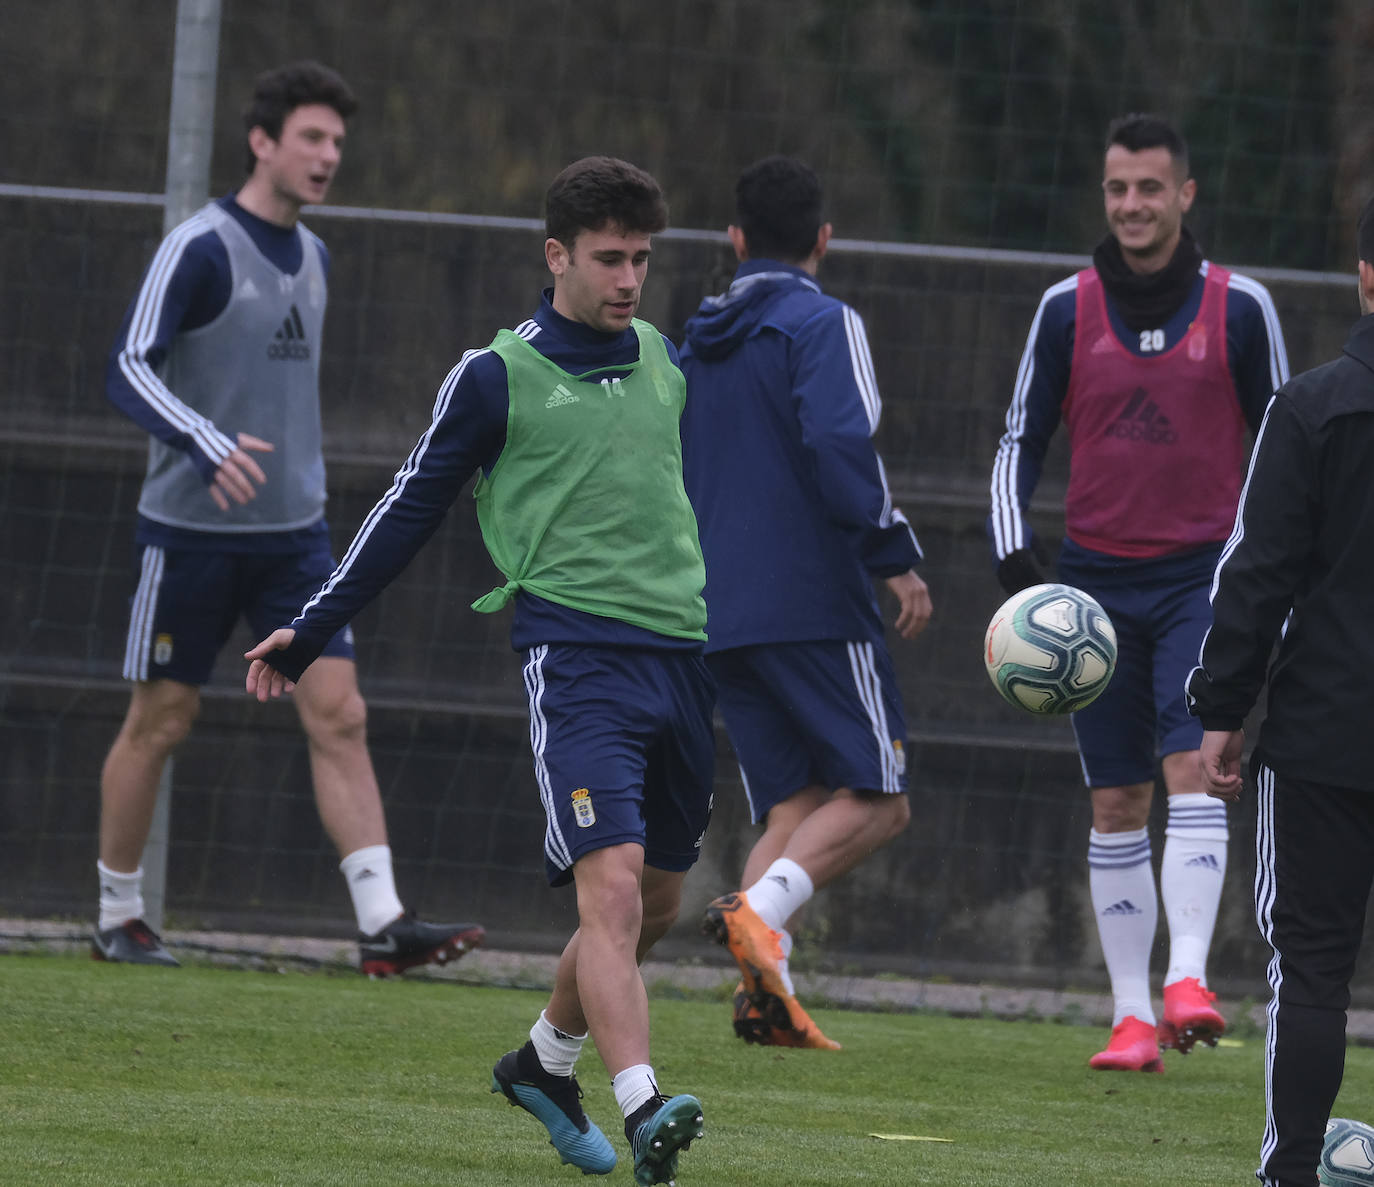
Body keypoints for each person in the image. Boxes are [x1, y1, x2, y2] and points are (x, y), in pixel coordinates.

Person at [244, 156, 709, 1184]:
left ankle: (543, 1062)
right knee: (615, 893)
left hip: (682, 656)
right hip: (576, 659)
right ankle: (644, 1108)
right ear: (556, 257)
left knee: (659, 904)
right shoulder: (496, 375)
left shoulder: (665, 358)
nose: (629, 277)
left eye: (642, 257)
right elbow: (405, 509)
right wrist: (311, 626)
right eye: (608, 258)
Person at [95, 60, 483, 975]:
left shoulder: (317, 257)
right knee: (163, 716)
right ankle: (117, 914)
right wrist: (205, 441)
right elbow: (126, 365)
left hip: (295, 541)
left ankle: (384, 925)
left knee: (339, 712)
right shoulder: (198, 245)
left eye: (338, 142)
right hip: (188, 536)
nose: (328, 156)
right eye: (312, 137)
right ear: (261, 142)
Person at [986, 113, 1289, 1072]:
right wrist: (1014, 561)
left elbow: (1284, 448)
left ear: (1186, 194)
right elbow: (1016, 442)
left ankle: (1188, 981)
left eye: (1150, 188)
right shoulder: (1062, 308)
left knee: (1191, 769)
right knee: (1114, 799)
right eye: (1117, 189)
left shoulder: (1241, 308)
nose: (1131, 206)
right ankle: (1128, 1018)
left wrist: (1269, 571)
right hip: (1091, 595)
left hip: (1202, 578)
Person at [677, 155, 931, 1050]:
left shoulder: (693, 341)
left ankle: (761, 998)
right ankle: (758, 912)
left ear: (736, 240)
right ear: (824, 240)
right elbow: (840, 441)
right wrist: (894, 556)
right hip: (816, 602)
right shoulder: (823, 323)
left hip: (717, 609)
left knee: (793, 804)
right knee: (881, 795)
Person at [1188, 196, 1374, 1187]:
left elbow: (1257, 572)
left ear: (1365, 275)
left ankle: (1291, 1170)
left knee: (1309, 969)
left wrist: (1222, 707)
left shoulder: (1311, 406)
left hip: (1323, 738)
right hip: (1324, 735)